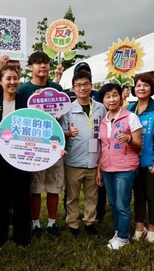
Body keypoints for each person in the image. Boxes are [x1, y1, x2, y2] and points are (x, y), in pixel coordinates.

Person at [17, 51, 64, 237]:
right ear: (31, 67)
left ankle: (52, 223)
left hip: (54, 143)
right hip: (34, 145)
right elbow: (19, 118)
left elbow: (63, 112)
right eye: (37, 63)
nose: (42, 66)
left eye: (45, 62)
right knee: (35, 187)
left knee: (54, 185)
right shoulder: (23, 90)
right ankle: (35, 223)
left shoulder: (56, 87)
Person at [0, 65, 31, 249]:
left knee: (22, 198)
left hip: (22, 158)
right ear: (1, 81)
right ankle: (0, 239)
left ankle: (22, 239)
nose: (12, 82)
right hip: (1, 159)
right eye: (8, 78)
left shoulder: (26, 102)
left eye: (15, 78)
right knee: (1, 199)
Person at [97, 83, 142, 250]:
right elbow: (102, 147)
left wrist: (129, 139)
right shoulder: (103, 121)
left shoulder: (131, 117)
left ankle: (123, 238)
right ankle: (118, 231)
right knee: (114, 204)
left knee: (122, 204)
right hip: (107, 168)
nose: (112, 99)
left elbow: (139, 145)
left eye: (115, 95)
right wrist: (99, 170)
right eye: (107, 96)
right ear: (103, 101)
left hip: (125, 168)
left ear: (121, 96)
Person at [61, 70, 106, 236]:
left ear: (91, 86)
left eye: (86, 84)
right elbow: (61, 132)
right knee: (72, 196)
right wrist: (68, 133)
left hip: (93, 160)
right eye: (78, 85)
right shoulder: (68, 109)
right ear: (73, 89)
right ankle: (72, 224)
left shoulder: (100, 108)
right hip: (73, 160)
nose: (82, 88)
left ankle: (90, 222)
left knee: (92, 195)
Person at [128, 73, 154, 243]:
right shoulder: (130, 109)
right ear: (133, 89)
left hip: (152, 160)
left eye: (145, 85)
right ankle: (139, 226)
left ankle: (153, 226)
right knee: (138, 195)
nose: (141, 88)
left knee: (152, 194)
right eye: (138, 85)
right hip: (133, 161)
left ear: (151, 88)